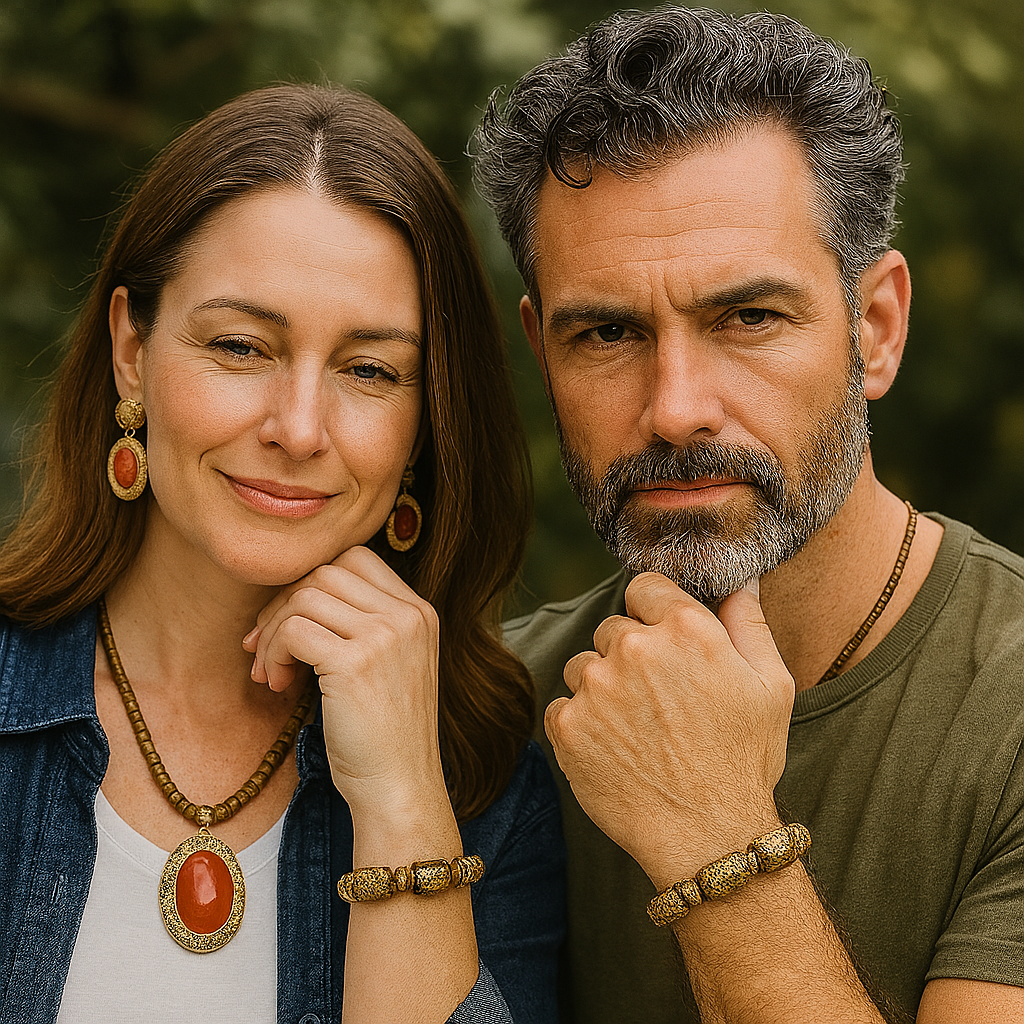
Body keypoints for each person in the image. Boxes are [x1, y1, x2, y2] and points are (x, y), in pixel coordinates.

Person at [471, 7, 1024, 1023]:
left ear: (876, 327)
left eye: (748, 317)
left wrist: (713, 831)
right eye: (605, 331)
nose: (675, 405)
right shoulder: (483, 714)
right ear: (541, 353)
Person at [0, 83, 564, 1024]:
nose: (299, 428)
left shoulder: (487, 788)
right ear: (131, 351)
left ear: (427, 421)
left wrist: (401, 799)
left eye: (370, 370)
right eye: (240, 346)